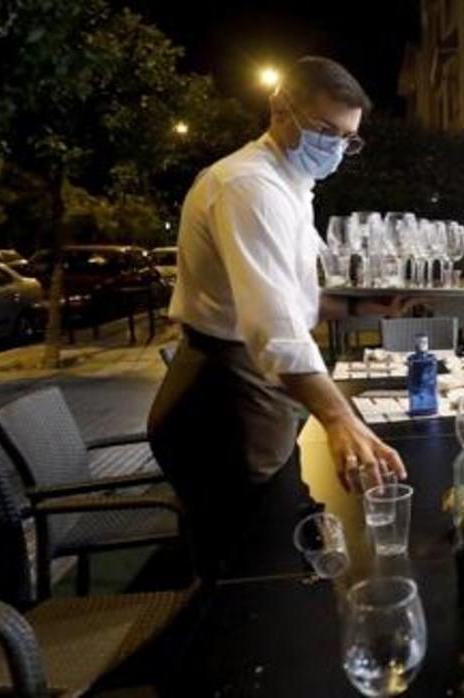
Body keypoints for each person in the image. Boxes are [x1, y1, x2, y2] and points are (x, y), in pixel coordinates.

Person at [148, 56, 407, 582]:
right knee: (249, 568)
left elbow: (293, 297)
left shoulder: (290, 184)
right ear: (279, 109)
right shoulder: (249, 187)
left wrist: (359, 307)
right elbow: (273, 324)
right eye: (324, 130)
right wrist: (339, 418)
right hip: (222, 394)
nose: (335, 148)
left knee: (275, 534)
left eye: (347, 139)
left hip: (247, 382)